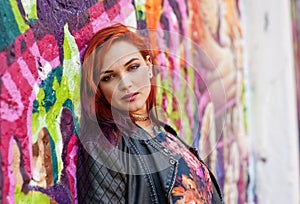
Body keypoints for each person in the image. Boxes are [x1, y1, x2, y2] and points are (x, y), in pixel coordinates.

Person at [77, 23, 223, 204]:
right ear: (99, 89)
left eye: (132, 67)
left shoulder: (164, 132)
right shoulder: (106, 146)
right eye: (108, 77)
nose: (126, 84)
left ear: (149, 66)